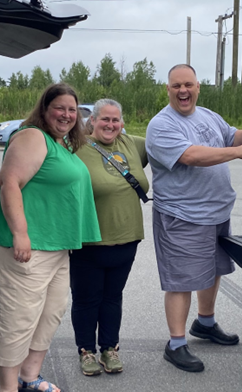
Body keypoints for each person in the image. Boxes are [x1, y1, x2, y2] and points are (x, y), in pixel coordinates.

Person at [0, 83, 101, 392]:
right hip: (21, 245)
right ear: (44, 109)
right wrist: (20, 233)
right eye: (59, 108)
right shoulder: (32, 136)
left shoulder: (59, 143)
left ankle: (30, 376)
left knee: (51, 312)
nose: (66, 114)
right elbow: (10, 182)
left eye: (72, 110)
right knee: (20, 316)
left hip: (56, 245)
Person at [146, 64, 242, 373]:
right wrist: (240, 153)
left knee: (213, 270)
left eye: (188, 84)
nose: (183, 91)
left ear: (198, 86)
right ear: (168, 89)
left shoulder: (208, 115)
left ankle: (206, 323)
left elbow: (231, 138)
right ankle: (175, 344)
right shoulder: (161, 125)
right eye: (176, 86)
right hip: (183, 215)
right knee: (182, 280)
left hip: (215, 212)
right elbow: (191, 156)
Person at [70, 99, 149, 376]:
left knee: (113, 297)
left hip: (127, 237)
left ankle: (109, 348)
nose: (110, 125)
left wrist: (237, 136)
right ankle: (86, 351)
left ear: (122, 123)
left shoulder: (133, 145)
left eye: (116, 120)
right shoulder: (75, 147)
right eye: (105, 119)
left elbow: (174, 143)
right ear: (92, 120)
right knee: (87, 298)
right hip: (89, 240)